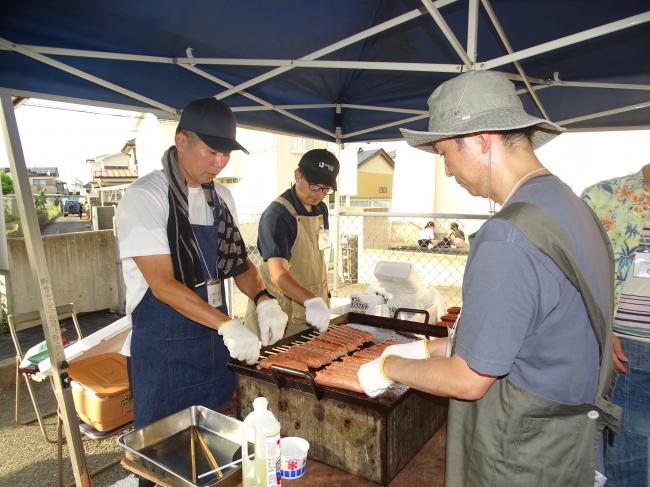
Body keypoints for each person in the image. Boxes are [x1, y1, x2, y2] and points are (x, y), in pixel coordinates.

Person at [357, 70, 620, 486]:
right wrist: (428, 349)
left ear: (482, 138)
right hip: (568, 443)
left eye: (445, 152)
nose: (446, 171)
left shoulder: (509, 235)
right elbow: (530, 335)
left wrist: (390, 366)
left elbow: (469, 379)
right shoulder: (571, 206)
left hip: (522, 455)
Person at [115, 97, 288, 440]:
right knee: (164, 453)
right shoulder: (145, 197)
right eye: (212, 152)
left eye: (226, 154)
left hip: (213, 350)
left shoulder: (221, 198)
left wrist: (263, 298)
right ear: (182, 141)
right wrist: (227, 324)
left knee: (220, 450)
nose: (220, 162)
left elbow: (239, 264)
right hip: (163, 356)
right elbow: (163, 285)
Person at [582, 165, 650, 487]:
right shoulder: (603, 198)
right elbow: (578, 274)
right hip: (630, 351)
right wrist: (604, 333)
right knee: (630, 459)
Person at [246, 149, 339, 342]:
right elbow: (277, 272)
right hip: (282, 313)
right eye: (315, 186)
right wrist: (310, 300)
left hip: (312, 307)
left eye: (326, 189)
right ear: (298, 175)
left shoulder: (321, 209)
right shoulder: (278, 215)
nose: (319, 194)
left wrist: (318, 299)